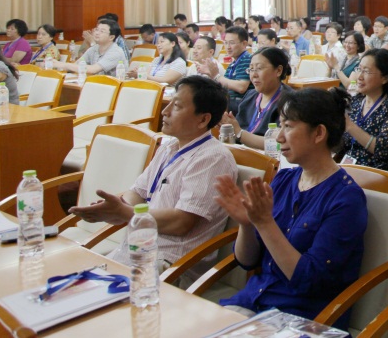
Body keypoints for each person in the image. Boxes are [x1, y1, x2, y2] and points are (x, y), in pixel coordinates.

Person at [215, 88, 367, 326]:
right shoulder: (284, 180)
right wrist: (247, 224)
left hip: (300, 318)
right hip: (254, 302)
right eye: (280, 125)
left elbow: (308, 281)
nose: (278, 137)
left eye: (288, 126)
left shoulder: (346, 199)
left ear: (319, 133)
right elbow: (247, 261)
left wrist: (264, 223)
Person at [69, 76, 237, 278]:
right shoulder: (169, 147)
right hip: (136, 250)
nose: (165, 112)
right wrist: (116, 208)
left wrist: (125, 213)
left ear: (203, 119)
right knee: (66, 278)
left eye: (177, 106)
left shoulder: (213, 158)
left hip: (170, 265)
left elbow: (181, 222)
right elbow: (137, 192)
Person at [341, 49, 388, 172]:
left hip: (378, 174)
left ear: (385, 78)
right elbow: (342, 143)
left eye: (366, 71)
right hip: (349, 169)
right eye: (359, 69)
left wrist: (350, 126)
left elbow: (383, 151)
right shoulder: (356, 101)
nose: (359, 77)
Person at [221, 47, 291, 149]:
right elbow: (237, 129)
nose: (253, 75)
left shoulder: (289, 101)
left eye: (259, 68)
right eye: (251, 69)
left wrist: (239, 133)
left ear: (278, 71)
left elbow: (280, 143)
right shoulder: (250, 95)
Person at [201, 26, 252, 112]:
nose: (228, 47)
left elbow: (241, 87)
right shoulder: (233, 63)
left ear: (244, 43)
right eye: (226, 43)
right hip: (231, 102)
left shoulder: (247, 59)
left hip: (242, 104)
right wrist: (211, 75)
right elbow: (223, 86)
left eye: (232, 43)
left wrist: (216, 76)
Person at [53, 19, 126, 77]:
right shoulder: (93, 49)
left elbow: (93, 69)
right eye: (97, 29)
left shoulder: (115, 52)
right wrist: (56, 64)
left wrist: (63, 64)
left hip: (113, 87)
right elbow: (77, 64)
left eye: (102, 31)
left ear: (111, 37)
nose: (97, 33)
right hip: (96, 83)